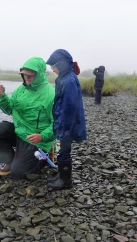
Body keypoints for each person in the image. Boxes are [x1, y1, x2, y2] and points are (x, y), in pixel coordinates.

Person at [0, 56, 55, 179]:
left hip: (36, 138)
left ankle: (45, 155)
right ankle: (8, 161)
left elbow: (59, 124)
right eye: (24, 74)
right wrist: (2, 97)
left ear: (39, 74)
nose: (26, 77)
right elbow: (10, 110)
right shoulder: (21, 89)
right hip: (19, 132)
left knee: (18, 174)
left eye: (30, 74)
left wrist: (42, 136)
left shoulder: (51, 94)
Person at [45, 49, 87, 190]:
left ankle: (65, 180)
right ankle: (61, 175)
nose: (52, 69)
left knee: (63, 150)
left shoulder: (68, 80)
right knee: (61, 150)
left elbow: (69, 107)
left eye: (53, 66)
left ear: (61, 64)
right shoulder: (65, 77)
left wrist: (62, 126)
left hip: (66, 124)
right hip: (63, 122)